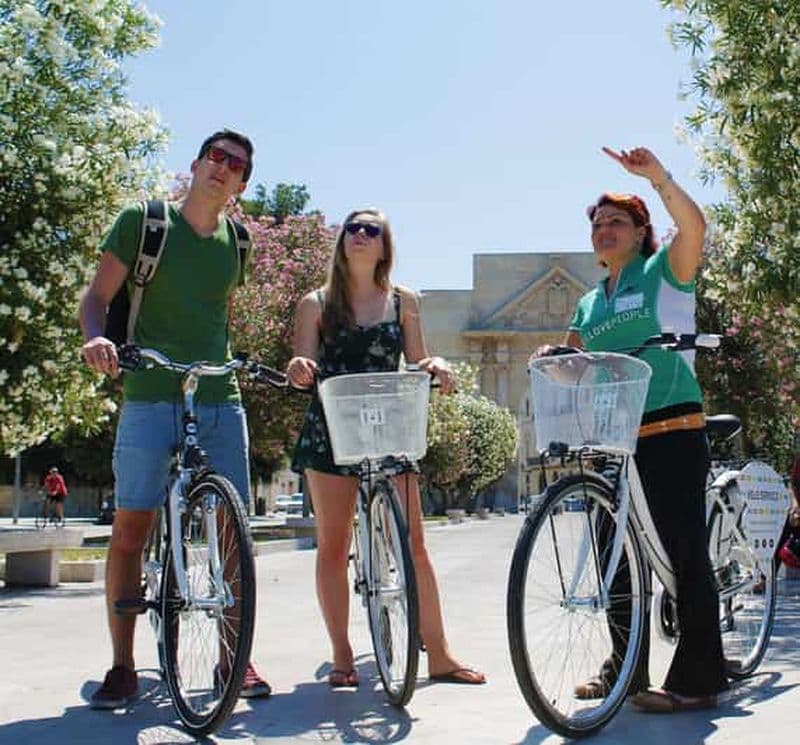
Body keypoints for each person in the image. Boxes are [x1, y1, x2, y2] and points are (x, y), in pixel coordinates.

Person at [79, 128, 271, 709]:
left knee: (232, 535)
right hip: (148, 391)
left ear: (240, 184)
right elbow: (97, 298)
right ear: (196, 164)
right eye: (215, 156)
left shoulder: (237, 243)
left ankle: (233, 659)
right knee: (131, 529)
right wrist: (95, 340)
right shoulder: (146, 223)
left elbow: (216, 315)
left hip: (218, 395)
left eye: (235, 165)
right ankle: (122, 666)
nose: (223, 167)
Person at [535, 146, 727, 713]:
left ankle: (697, 679)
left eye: (616, 221)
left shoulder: (664, 271)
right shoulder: (592, 302)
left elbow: (695, 225)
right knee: (615, 559)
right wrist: (554, 357)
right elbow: (573, 361)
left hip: (672, 425)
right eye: (596, 224)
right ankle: (625, 668)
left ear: (642, 231)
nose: (603, 230)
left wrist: (657, 177)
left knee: (683, 550)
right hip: (613, 439)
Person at [286, 208, 486, 688]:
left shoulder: (405, 301)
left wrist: (436, 365)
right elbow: (303, 359)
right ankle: (341, 655)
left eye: (370, 229)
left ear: (384, 245)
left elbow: (417, 358)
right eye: (352, 228)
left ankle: (438, 654)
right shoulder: (315, 304)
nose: (359, 235)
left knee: (414, 544)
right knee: (333, 547)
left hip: (389, 426)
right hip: (330, 428)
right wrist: (298, 367)